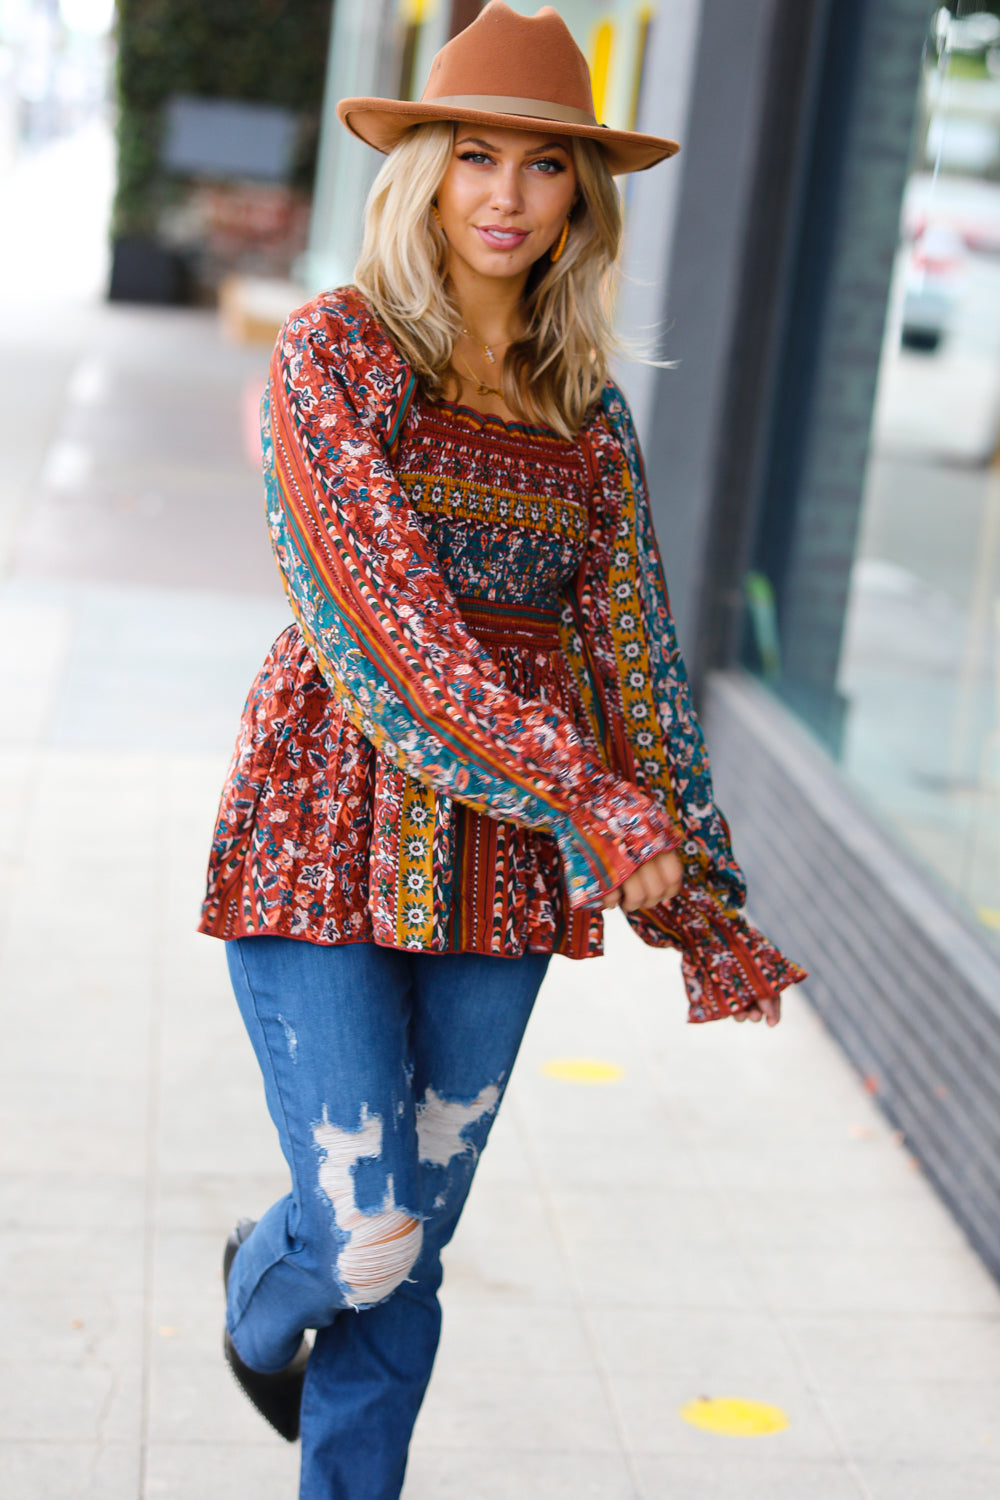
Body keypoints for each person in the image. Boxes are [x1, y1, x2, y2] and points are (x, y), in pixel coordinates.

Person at [198, 5, 806, 1496]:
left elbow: (637, 666)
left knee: (413, 1263)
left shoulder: (588, 416)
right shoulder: (331, 356)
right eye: (476, 155)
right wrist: (592, 794)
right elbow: (398, 635)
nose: (507, 196)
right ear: (421, 169)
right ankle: (264, 1282)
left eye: (547, 170)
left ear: (581, 204)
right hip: (321, 833)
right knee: (364, 1234)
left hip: (497, 880)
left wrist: (697, 894)